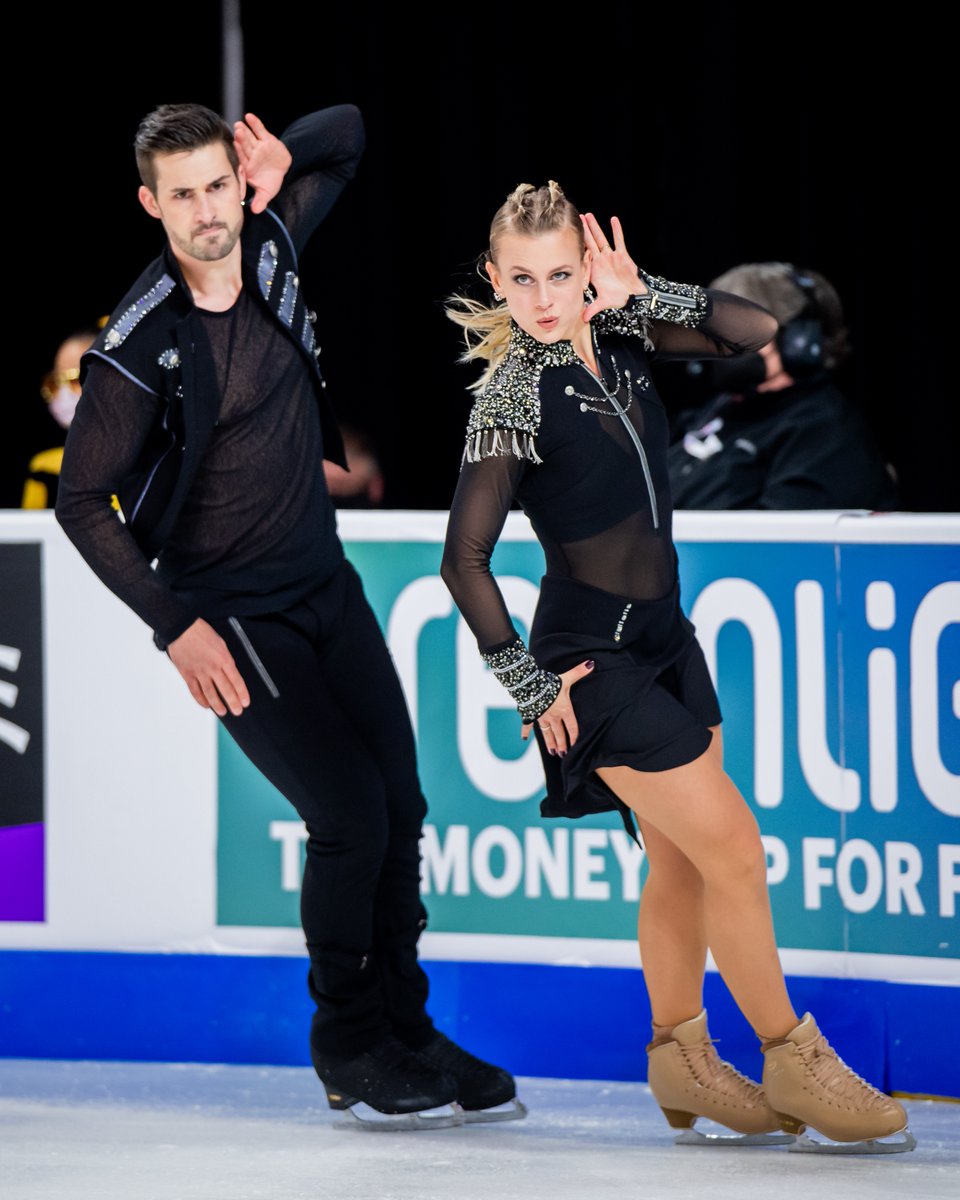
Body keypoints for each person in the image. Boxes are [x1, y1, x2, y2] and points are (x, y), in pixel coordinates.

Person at [55, 102, 522, 1129]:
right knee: (349, 816)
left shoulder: (269, 236)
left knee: (401, 807)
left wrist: (284, 156)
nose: (205, 210)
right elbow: (77, 501)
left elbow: (352, 132)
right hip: (232, 615)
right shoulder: (140, 348)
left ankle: (410, 1029)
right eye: (180, 194)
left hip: (325, 583)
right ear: (151, 206)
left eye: (217, 183)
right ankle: (350, 1044)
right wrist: (173, 624)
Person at [440, 182, 914, 1152]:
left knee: (681, 863)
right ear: (494, 279)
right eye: (522, 279)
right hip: (591, 659)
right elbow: (465, 558)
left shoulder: (618, 338)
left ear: (584, 270)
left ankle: (679, 1060)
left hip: (667, 639)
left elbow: (747, 332)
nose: (542, 297)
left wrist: (643, 290)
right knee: (736, 848)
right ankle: (793, 1057)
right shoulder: (509, 395)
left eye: (560, 275)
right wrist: (526, 684)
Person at [667, 263, 899, 510]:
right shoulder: (720, 410)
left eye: (740, 330)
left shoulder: (824, 430)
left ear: (798, 341)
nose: (721, 343)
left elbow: (783, 540)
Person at [22, 328, 99, 509]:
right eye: (55, 383)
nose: (64, 394)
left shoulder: (143, 461)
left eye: (75, 380)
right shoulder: (45, 469)